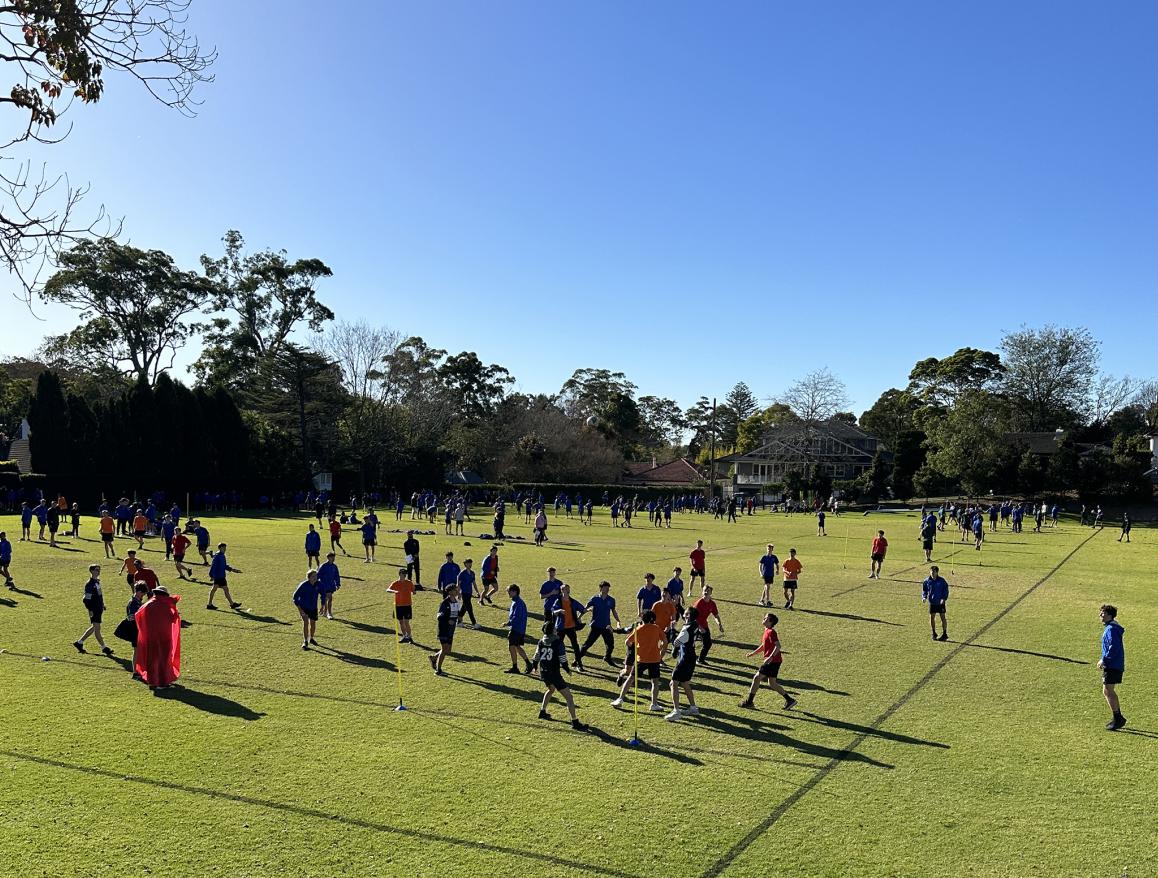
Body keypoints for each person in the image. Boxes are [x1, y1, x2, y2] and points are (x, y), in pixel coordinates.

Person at [531, 621, 587, 730]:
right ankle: (575, 722)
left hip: (544, 672)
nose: (556, 630)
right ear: (552, 631)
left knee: (551, 689)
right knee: (569, 697)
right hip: (554, 673)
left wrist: (534, 666)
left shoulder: (541, 641)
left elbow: (536, 655)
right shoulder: (557, 642)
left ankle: (542, 711)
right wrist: (567, 669)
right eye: (555, 629)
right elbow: (562, 658)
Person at [739, 613, 798, 711]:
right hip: (775, 661)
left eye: (766, 618)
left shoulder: (771, 632)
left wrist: (770, 657)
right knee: (772, 684)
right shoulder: (767, 631)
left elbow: (778, 646)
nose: (764, 619)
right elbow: (763, 646)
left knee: (757, 678)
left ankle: (749, 702)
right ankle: (790, 700)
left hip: (772, 661)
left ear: (770, 622)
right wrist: (752, 654)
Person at [611, 610, 666, 711]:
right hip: (654, 659)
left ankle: (620, 699)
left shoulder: (639, 629)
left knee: (631, 678)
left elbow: (627, 641)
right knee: (655, 682)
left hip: (641, 659)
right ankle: (654, 704)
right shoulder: (657, 628)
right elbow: (665, 641)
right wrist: (661, 652)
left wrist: (635, 647)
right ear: (652, 619)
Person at [134, 584, 181, 691]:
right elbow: (173, 619)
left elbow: (138, 615)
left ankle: (152, 682)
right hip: (164, 637)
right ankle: (162, 682)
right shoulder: (166, 606)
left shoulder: (148, 605)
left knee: (152, 659)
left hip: (151, 637)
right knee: (163, 660)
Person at [666, 606, 701, 720]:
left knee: (673, 683)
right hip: (691, 657)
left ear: (689, 616)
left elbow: (675, 642)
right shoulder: (695, 624)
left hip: (684, 659)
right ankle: (693, 708)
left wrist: (672, 629)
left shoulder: (686, 630)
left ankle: (676, 711)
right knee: (685, 682)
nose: (683, 615)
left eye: (685, 614)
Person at [74, 563, 114, 655]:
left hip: (98, 608)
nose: (98, 571)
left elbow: (99, 595)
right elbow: (86, 599)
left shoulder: (97, 582)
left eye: (99, 570)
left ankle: (79, 643)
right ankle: (104, 648)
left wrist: (102, 604)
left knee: (94, 627)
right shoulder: (90, 584)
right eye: (96, 570)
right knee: (97, 629)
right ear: (91, 571)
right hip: (94, 609)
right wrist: (90, 610)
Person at [1098, 604, 1126, 731]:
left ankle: (1118, 718)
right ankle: (1117, 717)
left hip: (1112, 664)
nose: (1100, 615)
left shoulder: (1111, 629)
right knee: (1107, 690)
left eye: (1102, 613)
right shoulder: (1111, 628)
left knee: (1108, 690)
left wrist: (1104, 659)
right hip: (1114, 664)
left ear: (1109, 615)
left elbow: (1113, 647)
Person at [579, 580, 620, 667]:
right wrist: (579, 617)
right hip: (596, 626)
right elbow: (585, 608)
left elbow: (613, 611)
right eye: (605, 588)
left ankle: (607, 657)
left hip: (607, 626)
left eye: (608, 588)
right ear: (600, 589)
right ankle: (577, 660)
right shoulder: (595, 599)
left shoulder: (611, 600)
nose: (607, 589)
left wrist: (618, 621)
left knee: (610, 645)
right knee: (587, 644)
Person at [547, 583, 587, 671]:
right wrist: (559, 610)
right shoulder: (558, 601)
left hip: (571, 627)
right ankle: (556, 662)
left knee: (575, 646)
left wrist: (581, 616)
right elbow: (553, 611)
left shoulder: (572, 601)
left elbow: (583, 609)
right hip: (560, 628)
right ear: (562, 591)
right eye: (565, 589)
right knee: (558, 646)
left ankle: (579, 664)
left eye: (568, 588)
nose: (567, 590)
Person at [428, 583, 461, 676]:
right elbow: (439, 616)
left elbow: (456, 612)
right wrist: (448, 620)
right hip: (443, 629)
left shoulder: (456, 601)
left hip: (451, 629)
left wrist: (459, 617)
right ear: (450, 592)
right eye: (455, 590)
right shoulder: (445, 603)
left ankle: (434, 658)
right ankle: (438, 670)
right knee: (444, 649)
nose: (457, 591)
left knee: (448, 650)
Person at [502, 583, 533, 673]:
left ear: (514, 592)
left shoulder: (518, 603)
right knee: (516, 646)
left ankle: (515, 667)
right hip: (519, 629)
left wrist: (508, 623)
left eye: (509, 591)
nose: (508, 593)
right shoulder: (516, 601)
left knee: (512, 646)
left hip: (516, 629)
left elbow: (516, 617)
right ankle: (528, 663)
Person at [693, 585, 724, 664]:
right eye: (705, 591)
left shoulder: (712, 604)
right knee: (689, 644)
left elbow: (716, 616)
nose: (706, 592)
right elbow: (693, 618)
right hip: (694, 625)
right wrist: (699, 627)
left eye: (708, 591)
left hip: (704, 625)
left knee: (708, 644)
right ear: (702, 592)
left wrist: (719, 624)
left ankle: (700, 660)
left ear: (711, 593)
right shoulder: (699, 603)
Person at [207, 543, 241, 610]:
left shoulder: (222, 555)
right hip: (218, 576)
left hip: (221, 575)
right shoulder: (217, 556)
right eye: (223, 548)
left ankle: (210, 604)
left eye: (225, 548)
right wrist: (211, 575)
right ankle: (231, 604)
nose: (225, 549)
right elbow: (213, 566)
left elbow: (225, 566)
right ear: (220, 548)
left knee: (217, 589)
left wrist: (233, 570)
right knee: (221, 589)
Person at [386, 567, 416, 643]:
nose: (405, 575)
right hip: (398, 605)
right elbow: (388, 589)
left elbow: (413, 591)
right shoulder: (395, 583)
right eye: (403, 574)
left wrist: (414, 592)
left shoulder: (409, 582)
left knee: (406, 622)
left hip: (407, 605)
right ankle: (405, 636)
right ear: (399, 574)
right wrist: (394, 591)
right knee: (401, 622)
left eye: (405, 574)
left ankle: (409, 637)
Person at [293, 569, 321, 650]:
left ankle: (311, 638)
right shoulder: (303, 585)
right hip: (304, 607)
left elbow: (323, 592)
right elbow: (295, 597)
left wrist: (323, 602)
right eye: (313, 576)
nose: (315, 578)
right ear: (308, 577)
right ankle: (305, 641)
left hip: (313, 608)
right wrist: (300, 609)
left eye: (316, 576)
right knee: (306, 623)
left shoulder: (318, 584)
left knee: (313, 623)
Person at [921, 565, 950, 641]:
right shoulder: (927, 581)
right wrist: (924, 597)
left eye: (934, 572)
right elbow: (925, 590)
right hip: (932, 602)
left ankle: (944, 634)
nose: (932, 573)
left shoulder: (942, 581)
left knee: (943, 617)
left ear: (937, 572)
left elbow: (945, 590)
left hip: (940, 603)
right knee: (932, 617)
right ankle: (934, 633)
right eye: (931, 571)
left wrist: (944, 598)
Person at [317, 552, 341, 620]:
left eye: (334, 557)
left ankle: (325, 612)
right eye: (331, 557)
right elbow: (318, 574)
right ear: (328, 558)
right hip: (324, 585)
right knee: (329, 598)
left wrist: (338, 584)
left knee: (326, 599)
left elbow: (336, 576)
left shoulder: (334, 566)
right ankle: (329, 613)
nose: (333, 559)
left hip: (331, 585)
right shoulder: (323, 566)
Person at [457, 558, 479, 628]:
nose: (470, 564)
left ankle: (459, 621)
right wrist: (459, 593)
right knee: (469, 608)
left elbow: (474, 583)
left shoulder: (472, 573)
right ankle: (474, 623)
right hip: (464, 593)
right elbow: (459, 584)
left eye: (470, 563)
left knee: (464, 607)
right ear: (465, 564)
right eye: (468, 563)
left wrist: (477, 592)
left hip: (469, 592)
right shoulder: (462, 574)